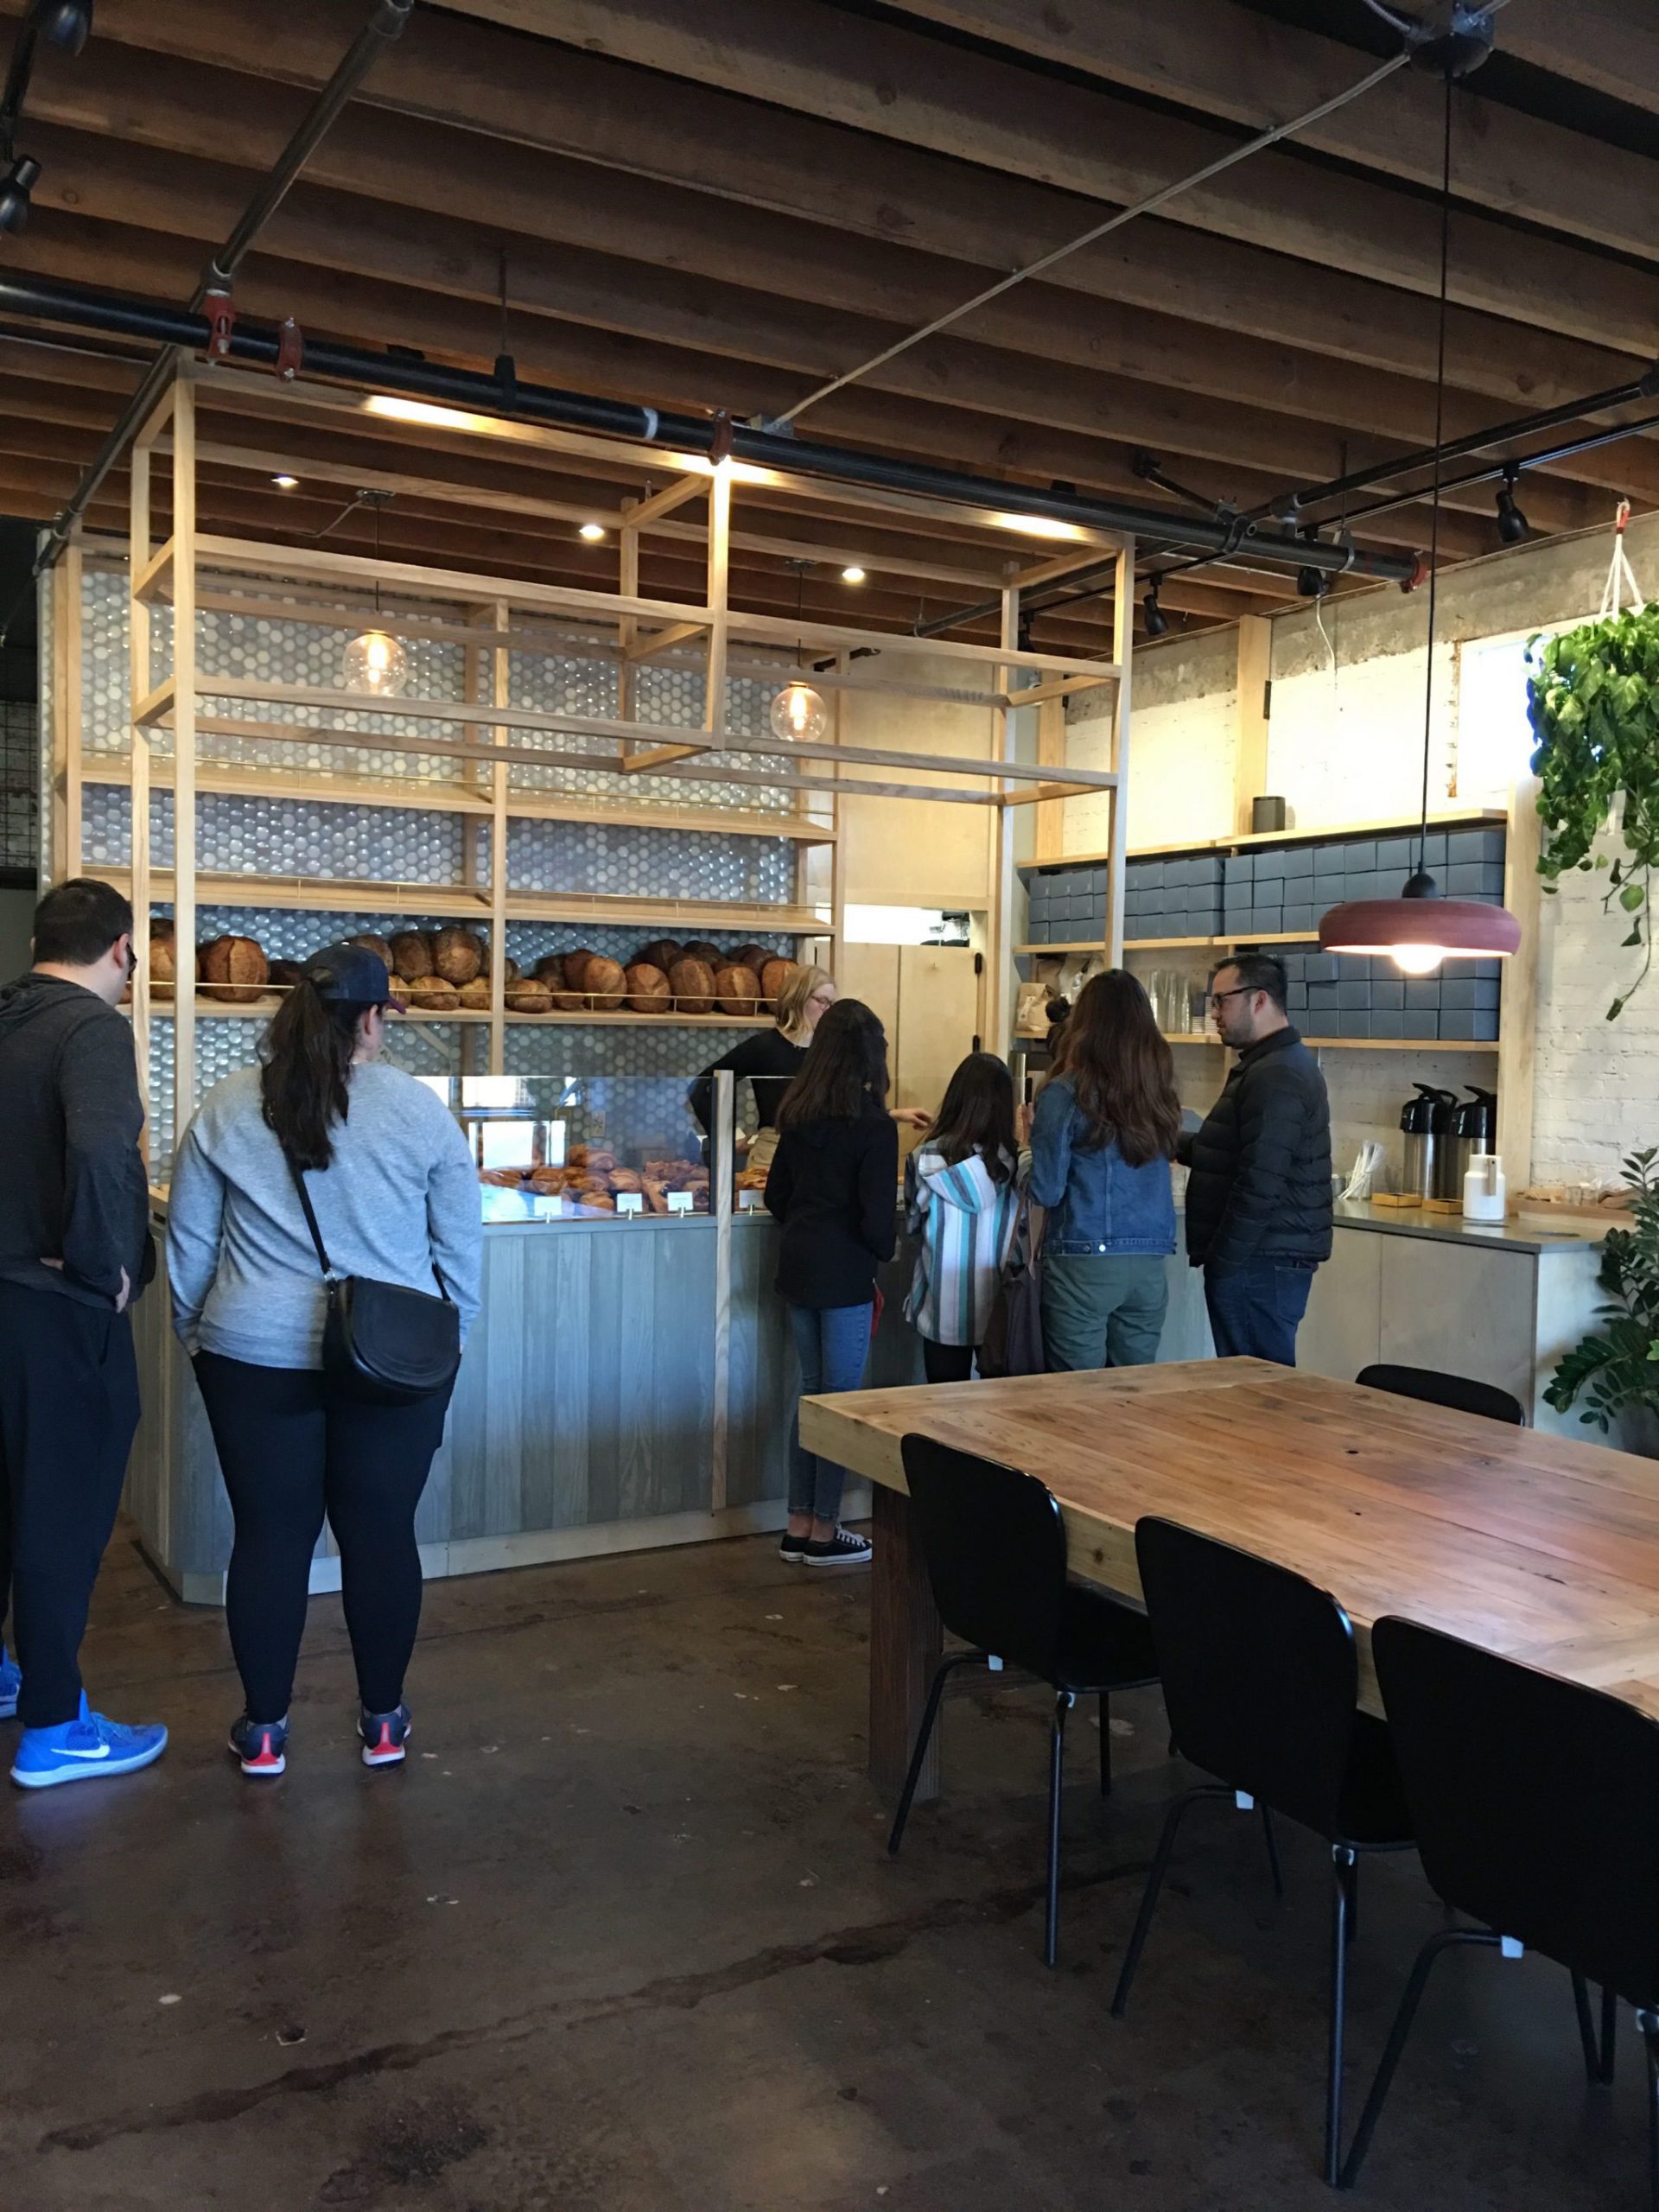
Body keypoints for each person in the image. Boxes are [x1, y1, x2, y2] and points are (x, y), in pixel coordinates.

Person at [167, 942, 482, 1777]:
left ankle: (266, 1732)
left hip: (250, 1354)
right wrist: (452, 1341)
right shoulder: (418, 1110)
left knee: (269, 1540)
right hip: (393, 1357)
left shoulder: (226, 1105)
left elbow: (190, 1248)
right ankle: (383, 1725)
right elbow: (460, 1248)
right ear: (372, 1019)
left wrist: (200, 1334)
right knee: (381, 1536)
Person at [0, 877, 168, 1789]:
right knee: (61, 1513)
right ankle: (55, 1726)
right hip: (53, 1314)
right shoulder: (91, 1029)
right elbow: (104, 1150)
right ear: (122, 951)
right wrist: (108, 1266)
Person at [765, 999, 898, 1569]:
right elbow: (877, 1223)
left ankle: (798, 1523)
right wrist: (881, 1250)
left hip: (798, 1265)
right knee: (839, 1404)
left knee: (812, 1393)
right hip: (844, 1273)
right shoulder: (875, 1126)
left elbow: (775, 1195)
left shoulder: (798, 1116)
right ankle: (825, 1530)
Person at [1024, 969, 1179, 1372]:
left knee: (1079, 1393)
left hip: (1083, 1259)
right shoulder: (1158, 1091)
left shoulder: (1065, 1091)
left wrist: (1026, 1150)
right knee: (1133, 1389)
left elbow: (1047, 1190)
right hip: (1150, 1260)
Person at [1184, 953, 1333, 1367]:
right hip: (1260, 1259)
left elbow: (1260, 1182)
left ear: (1259, 999)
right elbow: (1233, 1154)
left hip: (1259, 1263)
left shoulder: (1277, 1074)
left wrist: (1224, 1263)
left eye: (1221, 1000)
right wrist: (1159, 1138)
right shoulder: (1268, 1065)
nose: (1214, 1013)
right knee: (1248, 1385)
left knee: (1256, 1388)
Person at [904, 1051, 1025, 1383]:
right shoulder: (1020, 1162)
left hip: (942, 1305)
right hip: (1002, 1307)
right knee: (999, 1407)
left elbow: (913, 1226)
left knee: (944, 1407)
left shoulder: (922, 1158)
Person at [689, 963, 836, 1183]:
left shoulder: (832, 1050)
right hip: (772, 1156)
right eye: (821, 1001)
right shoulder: (764, 1046)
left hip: (823, 1154)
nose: (827, 1009)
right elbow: (702, 1086)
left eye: (831, 1003)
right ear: (798, 997)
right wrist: (728, 1138)